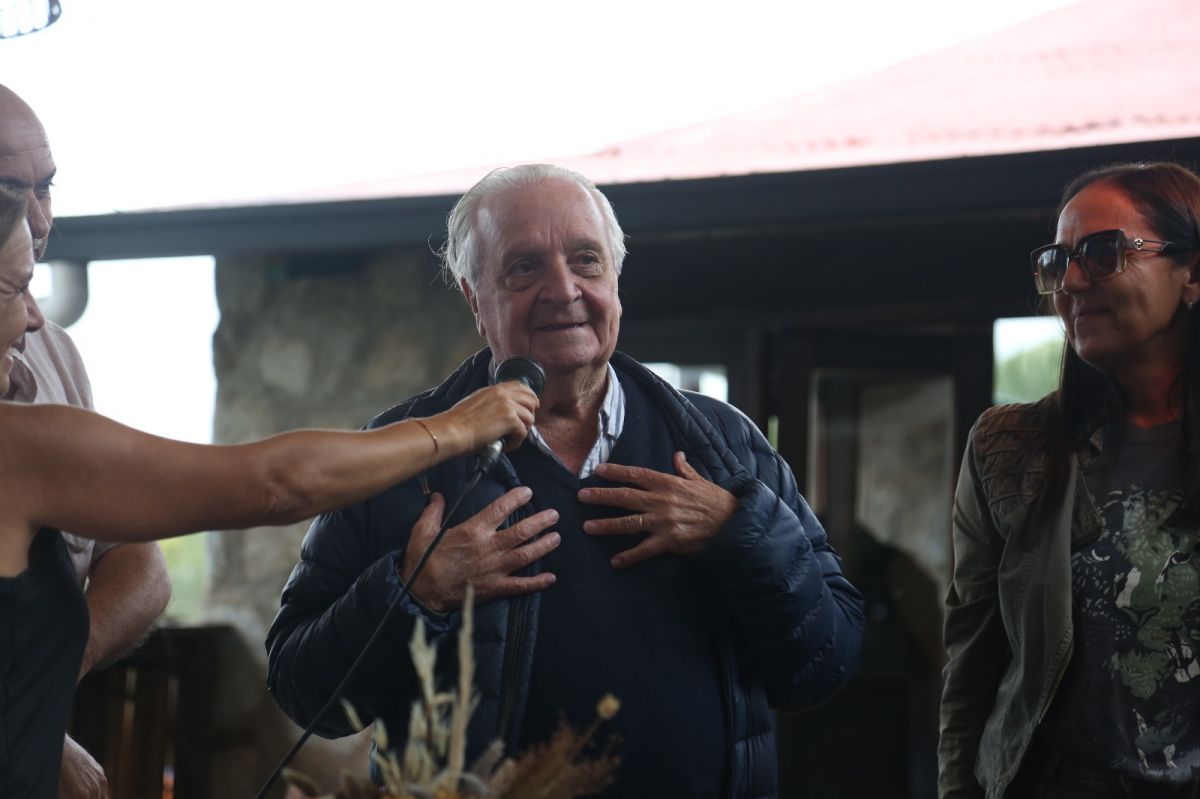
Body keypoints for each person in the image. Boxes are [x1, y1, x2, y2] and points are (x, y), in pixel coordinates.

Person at [265, 164, 864, 798]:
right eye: (524, 268)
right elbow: (303, 690)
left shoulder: (724, 444)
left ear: (615, 281)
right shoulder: (401, 451)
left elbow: (825, 663)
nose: (563, 289)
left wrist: (736, 532)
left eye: (586, 261)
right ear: (474, 298)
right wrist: (417, 592)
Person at [0, 186, 540, 798]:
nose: (36, 319)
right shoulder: (17, 449)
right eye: (16, 288)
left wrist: (35, 723)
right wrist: (456, 427)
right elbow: (276, 483)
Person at [939, 161, 1200, 798]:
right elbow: (972, 666)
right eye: (1059, 261)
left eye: (1105, 252)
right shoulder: (1009, 447)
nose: (1072, 282)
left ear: (1191, 272)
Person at [0, 83, 172, 798]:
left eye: (47, 188)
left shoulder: (57, 351)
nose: (40, 219)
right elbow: (272, 482)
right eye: (11, 192)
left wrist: (40, 695)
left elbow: (140, 559)